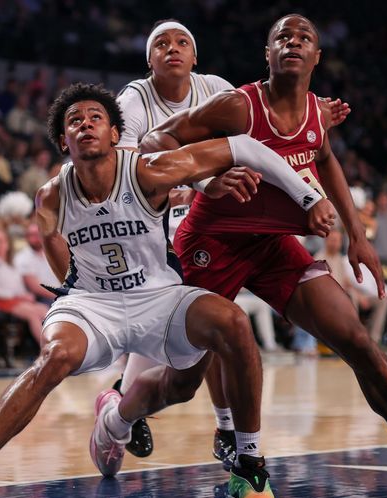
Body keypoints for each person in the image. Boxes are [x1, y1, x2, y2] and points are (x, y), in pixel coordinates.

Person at [0, 82, 340, 498]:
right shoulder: (51, 194)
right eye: (74, 121)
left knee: (230, 326)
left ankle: (248, 464)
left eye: (94, 117)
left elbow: (242, 146)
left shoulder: (149, 170)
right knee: (56, 355)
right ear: (63, 141)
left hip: (158, 296)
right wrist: (74, 285)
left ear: (113, 134)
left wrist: (308, 197)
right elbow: (50, 235)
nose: (84, 124)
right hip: (93, 302)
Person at [145, 14, 387, 498]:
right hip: (211, 242)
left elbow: (324, 156)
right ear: (267, 54)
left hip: (271, 246)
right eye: (281, 37)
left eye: (303, 37)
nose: (292, 42)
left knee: (355, 338)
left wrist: (358, 235)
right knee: (182, 381)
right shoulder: (237, 106)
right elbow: (158, 141)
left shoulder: (315, 113)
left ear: (317, 57)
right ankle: (119, 415)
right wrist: (203, 180)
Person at [109, 19, 238, 459]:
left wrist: (195, 178)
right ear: (150, 60)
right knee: (161, 326)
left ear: (195, 57)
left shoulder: (217, 88)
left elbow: (247, 147)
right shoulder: (134, 97)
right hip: (147, 219)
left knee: (218, 324)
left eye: (182, 42)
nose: (172, 49)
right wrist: (185, 177)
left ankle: (225, 428)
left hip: (210, 221)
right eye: (161, 44)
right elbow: (126, 162)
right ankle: (128, 402)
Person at [0, 228, 48, 345]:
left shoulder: (12, 264)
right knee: (33, 314)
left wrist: (25, 296)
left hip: (14, 300)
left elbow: (18, 287)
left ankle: (55, 343)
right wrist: (17, 296)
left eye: (1, 241)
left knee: (43, 309)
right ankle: (46, 349)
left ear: (8, 243)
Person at [14, 223, 58, 304]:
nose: (36, 238)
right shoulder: (22, 258)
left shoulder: (49, 253)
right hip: (42, 297)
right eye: (33, 235)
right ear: (26, 237)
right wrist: (59, 295)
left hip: (59, 293)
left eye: (38, 234)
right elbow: (35, 287)